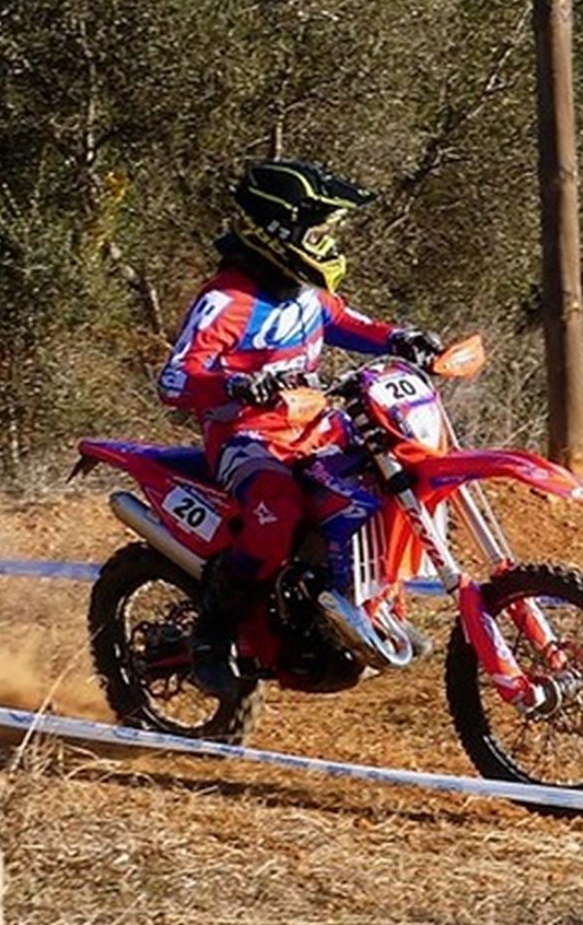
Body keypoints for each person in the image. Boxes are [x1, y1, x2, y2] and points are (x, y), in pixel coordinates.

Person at [156, 159, 442, 698]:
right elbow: (174, 379)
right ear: (277, 231)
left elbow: (345, 322)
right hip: (247, 438)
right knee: (278, 510)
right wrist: (236, 387)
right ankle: (213, 635)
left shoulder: (302, 292)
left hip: (315, 426)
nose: (328, 241)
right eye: (318, 231)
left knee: (380, 482)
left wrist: (399, 338)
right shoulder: (226, 300)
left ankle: (367, 604)